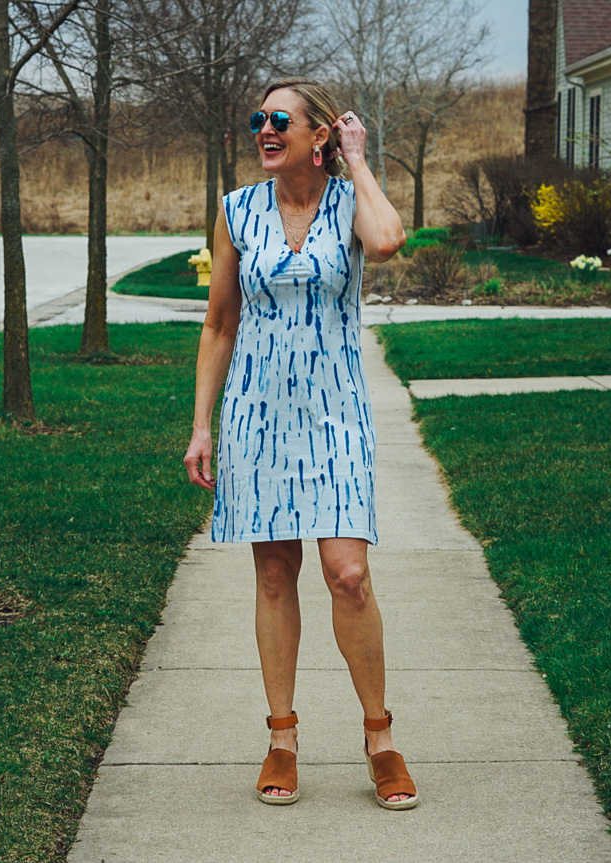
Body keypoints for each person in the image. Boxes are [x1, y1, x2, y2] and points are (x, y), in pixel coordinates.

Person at [183, 78, 417, 810]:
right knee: (276, 576)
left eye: (280, 119)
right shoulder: (237, 211)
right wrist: (201, 424)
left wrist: (358, 159)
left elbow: (388, 242)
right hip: (258, 416)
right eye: (258, 119)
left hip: (335, 414)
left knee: (347, 573)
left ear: (320, 136)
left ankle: (380, 737)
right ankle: (281, 736)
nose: (264, 129)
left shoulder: (351, 205)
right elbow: (220, 323)